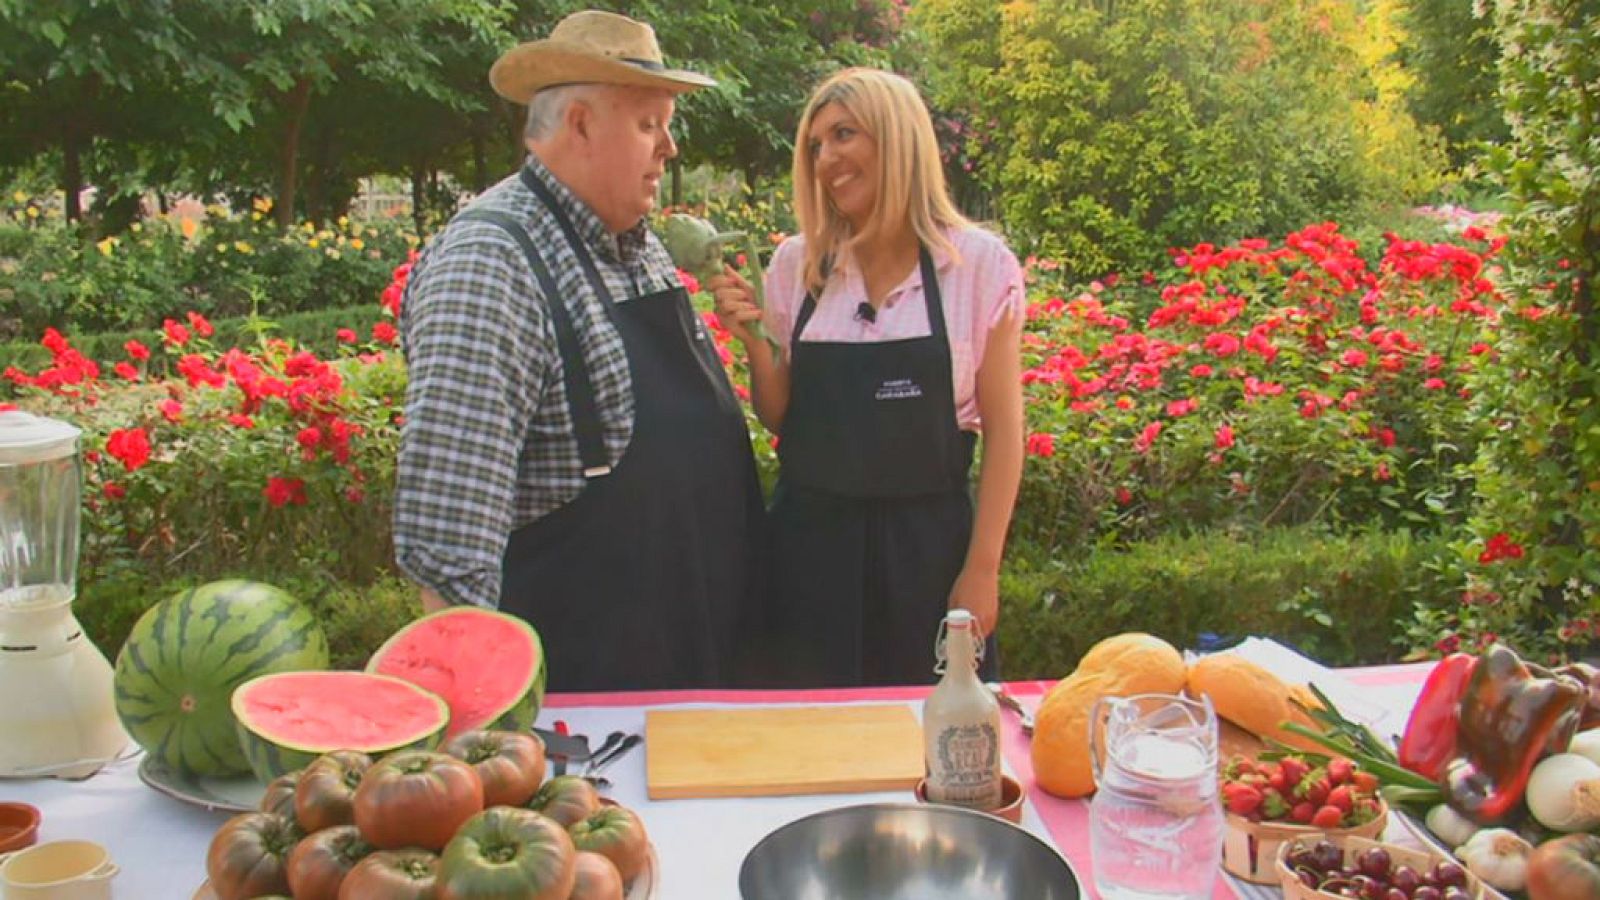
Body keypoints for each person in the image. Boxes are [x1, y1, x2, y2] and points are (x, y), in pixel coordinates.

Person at [392, 10, 765, 692]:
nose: (670, 148)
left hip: (695, 677)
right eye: (650, 124)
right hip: (587, 714)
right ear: (582, 124)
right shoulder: (490, 263)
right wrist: (482, 739)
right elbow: (449, 545)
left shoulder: (636, 243)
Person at [711, 67, 1025, 687]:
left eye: (844, 134)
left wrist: (982, 570)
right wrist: (755, 344)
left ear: (897, 139)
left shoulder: (978, 268)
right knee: (806, 755)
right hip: (806, 558)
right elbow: (783, 418)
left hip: (930, 559)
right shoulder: (795, 264)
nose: (826, 158)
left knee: (932, 752)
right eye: (816, 144)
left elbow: (1006, 435)